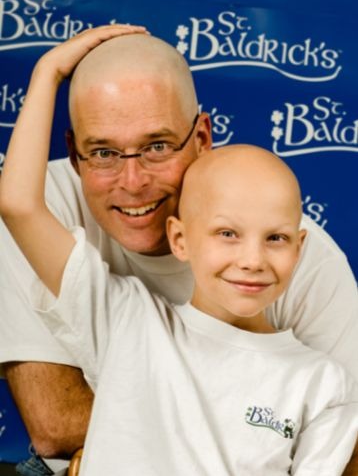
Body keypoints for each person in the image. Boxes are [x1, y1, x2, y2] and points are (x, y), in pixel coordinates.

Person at [0, 26, 357, 473]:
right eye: (227, 234)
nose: (251, 259)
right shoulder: (129, 319)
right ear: (180, 239)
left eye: (157, 146)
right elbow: (17, 204)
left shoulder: (324, 382)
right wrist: (47, 72)